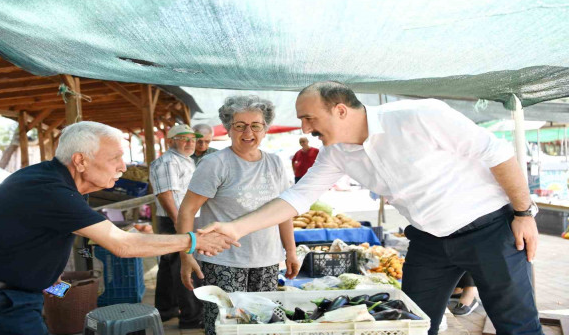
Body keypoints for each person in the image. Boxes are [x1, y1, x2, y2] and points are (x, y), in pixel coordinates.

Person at [202, 81, 542, 335]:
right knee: (408, 321)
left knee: (516, 324)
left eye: (308, 118)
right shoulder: (335, 153)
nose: (304, 128)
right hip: (428, 242)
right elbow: (297, 198)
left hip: (490, 232)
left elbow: (498, 154)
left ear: (340, 110)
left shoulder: (420, 115)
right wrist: (235, 228)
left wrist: (523, 213)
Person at [0, 121, 235, 335]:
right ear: (80, 160)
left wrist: (55, 285)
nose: (123, 166)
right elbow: (123, 246)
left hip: (8, 290)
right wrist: (193, 240)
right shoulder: (52, 190)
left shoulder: (52, 181)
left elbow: (66, 236)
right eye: (115, 158)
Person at [177, 95, 299, 335]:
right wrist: (186, 255)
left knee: (262, 325)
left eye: (255, 125)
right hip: (224, 261)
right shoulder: (215, 163)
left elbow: (284, 210)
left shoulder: (275, 163)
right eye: (239, 125)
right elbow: (187, 209)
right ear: (228, 128)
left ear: (265, 129)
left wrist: (291, 251)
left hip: (267, 259)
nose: (248, 132)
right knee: (226, 326)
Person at [149, 124, 205, 329]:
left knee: (169, 265)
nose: (190, 142)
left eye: (192, 138)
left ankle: (166, 309)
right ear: (170, 141)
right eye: (184, 138)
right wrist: (178, 222)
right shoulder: (168, 162)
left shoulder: (184, 160)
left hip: (180, 218)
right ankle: (191, 317)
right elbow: (166, 194)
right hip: (177, 219)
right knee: (185, 264)